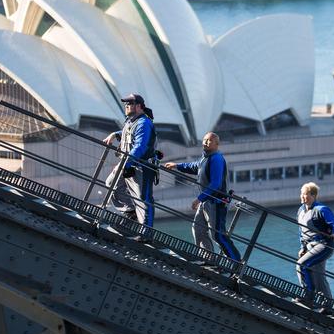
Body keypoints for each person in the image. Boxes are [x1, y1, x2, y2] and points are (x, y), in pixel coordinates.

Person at [164, 132, 241, 261]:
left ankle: (236, 262)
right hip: (207, 202)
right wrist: (176, 166)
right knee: (198, 228)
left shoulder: (216, 158)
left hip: (216, 203)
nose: (205, 142)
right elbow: (194, 166)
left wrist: (199, 199)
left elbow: (215, 183)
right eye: (204, 140)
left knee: (217, 235)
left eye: (209, 141)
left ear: (217, 144)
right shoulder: (205, 158)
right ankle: (209, 259)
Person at [103, 93, 157, 231]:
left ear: (139, 106)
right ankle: (130, 211)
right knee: (111, 184)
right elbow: (127, 132)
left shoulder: (144, 123)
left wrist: (126, 163)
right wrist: (115, 134)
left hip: (141, 167)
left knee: (143, 198)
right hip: (127, 164)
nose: (127, 106)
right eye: (126, 104)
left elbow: (140, 146)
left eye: (130, 103)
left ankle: (146, 233)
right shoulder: (131, 121)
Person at [295, 182, 334, 309]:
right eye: (302, 194)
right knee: (319, 276)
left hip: (323, 245)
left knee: (302, 265)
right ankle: (328, 306)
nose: (303, 197)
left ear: (314, 196)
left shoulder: (321, 209)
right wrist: (302, 247)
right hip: (309, 246)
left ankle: (309, 296)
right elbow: (302, 231)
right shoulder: (301, 210)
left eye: (306, 194)